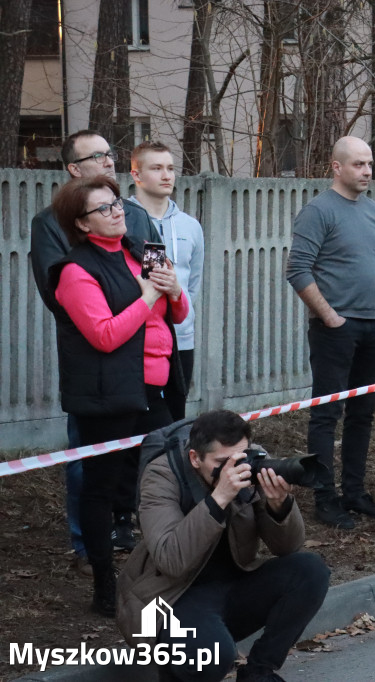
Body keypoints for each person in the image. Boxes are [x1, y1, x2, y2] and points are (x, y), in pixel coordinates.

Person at [50, 175, 187, 615]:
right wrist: (148, 296)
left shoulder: (144, 249)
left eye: (117, 203)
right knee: (102, 490)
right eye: (104, 208)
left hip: (155, 384)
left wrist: (173, 290)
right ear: (83, 224)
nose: (117, 212)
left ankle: (170, 571)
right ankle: (105, 587)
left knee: (174, 475)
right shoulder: (75, 271)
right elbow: (105, 336)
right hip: (107, 394)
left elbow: (177, 313)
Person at [29, 130, 161, 574]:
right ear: (73, 168)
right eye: (97, 156)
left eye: (111, 153)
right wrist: (129, 306)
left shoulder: (137, 216)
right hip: (99, 363)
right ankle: (88, 548)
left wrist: (170, 299)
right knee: (90, 465)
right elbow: (58, 293)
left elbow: (161, 277)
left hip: (154, 356)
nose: (109, 161)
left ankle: (131, 532)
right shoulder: (51, 223)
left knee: (150, 454)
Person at [116, 409, 330, 682]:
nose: (234, 468)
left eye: (240, 457)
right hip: (170, 599)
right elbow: (172, 560)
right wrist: (218, 499)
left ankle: (258, 672)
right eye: (221, 462)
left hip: (232, 584)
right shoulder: (162, 475)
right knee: (212, 655)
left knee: (310, 571)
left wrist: (280, 506)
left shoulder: (252, 461)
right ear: (195, 458)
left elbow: (287, 547)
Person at [285, 136, 375, 530]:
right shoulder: (318, 211)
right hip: (335, 330)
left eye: (369, 164)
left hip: (373, 327)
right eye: (359, 164)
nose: (366, 171)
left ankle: (355, 493)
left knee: (363, 415)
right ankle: (325, 499)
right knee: (327, 415)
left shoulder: (373, 209)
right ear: (336, 167)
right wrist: (330, 317)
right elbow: (297, 270)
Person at [129, 141, 205, 422]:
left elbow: (193, 282)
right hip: (140, 341)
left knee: (176, 416)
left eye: (171, 168)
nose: (167, 175)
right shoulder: (122, 221)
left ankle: (168, 468)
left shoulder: (190, 226)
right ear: (136, 175)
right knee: (141, 421)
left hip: (181, 338)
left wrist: (181, 311)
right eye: (157, 168)